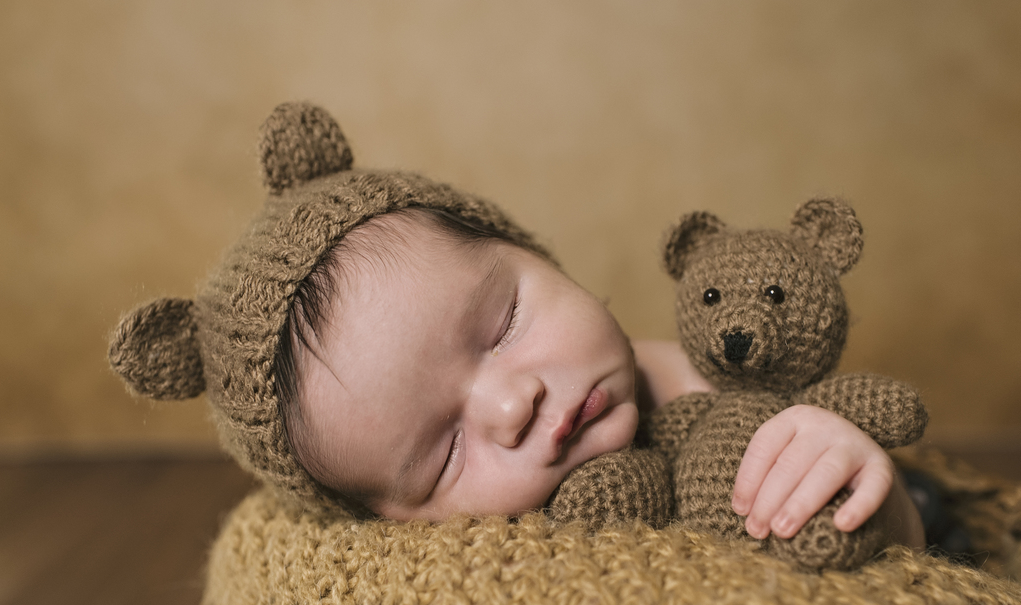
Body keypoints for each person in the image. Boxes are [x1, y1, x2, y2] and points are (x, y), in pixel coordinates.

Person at [273, 206, 925, 549]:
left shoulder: (729, 382)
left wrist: (865, 484)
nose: (513, 403)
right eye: (446, 452)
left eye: (502, 327)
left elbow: (912, 560)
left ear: (539, 257)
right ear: (398, 526)